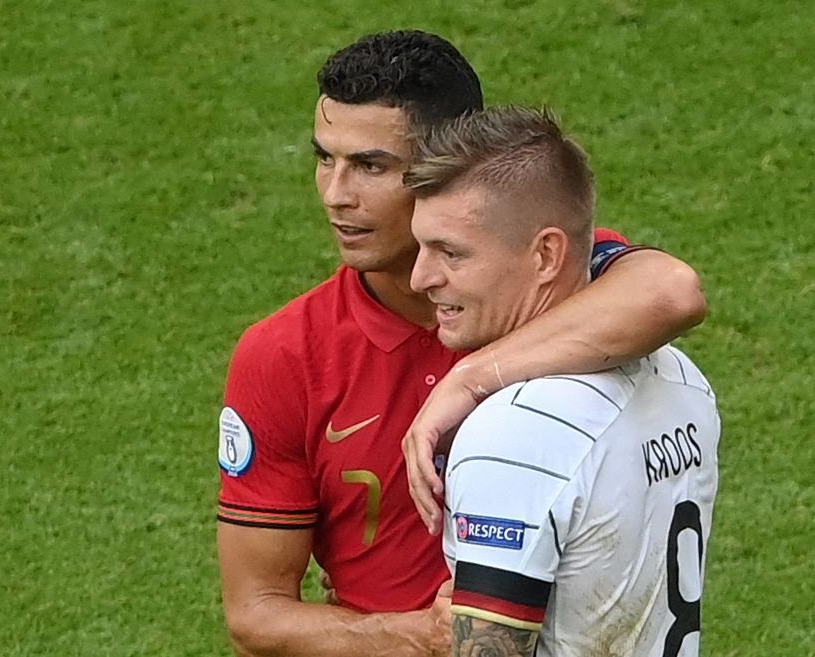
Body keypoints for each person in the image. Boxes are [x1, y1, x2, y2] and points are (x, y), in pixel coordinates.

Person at [216, 31, 708, 657]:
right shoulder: (285, 354)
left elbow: (672, 293)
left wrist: (469, 377)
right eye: (324, 159)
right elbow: (255, 614)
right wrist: (415, 633)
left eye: (371, 166)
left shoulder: (539, 278)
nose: (337, 194)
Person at [404, 105, 721, 657]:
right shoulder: (682, 378)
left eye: (451, 253)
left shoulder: (511, 433)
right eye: (422, 248)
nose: (421, 278)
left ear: (547, 254)